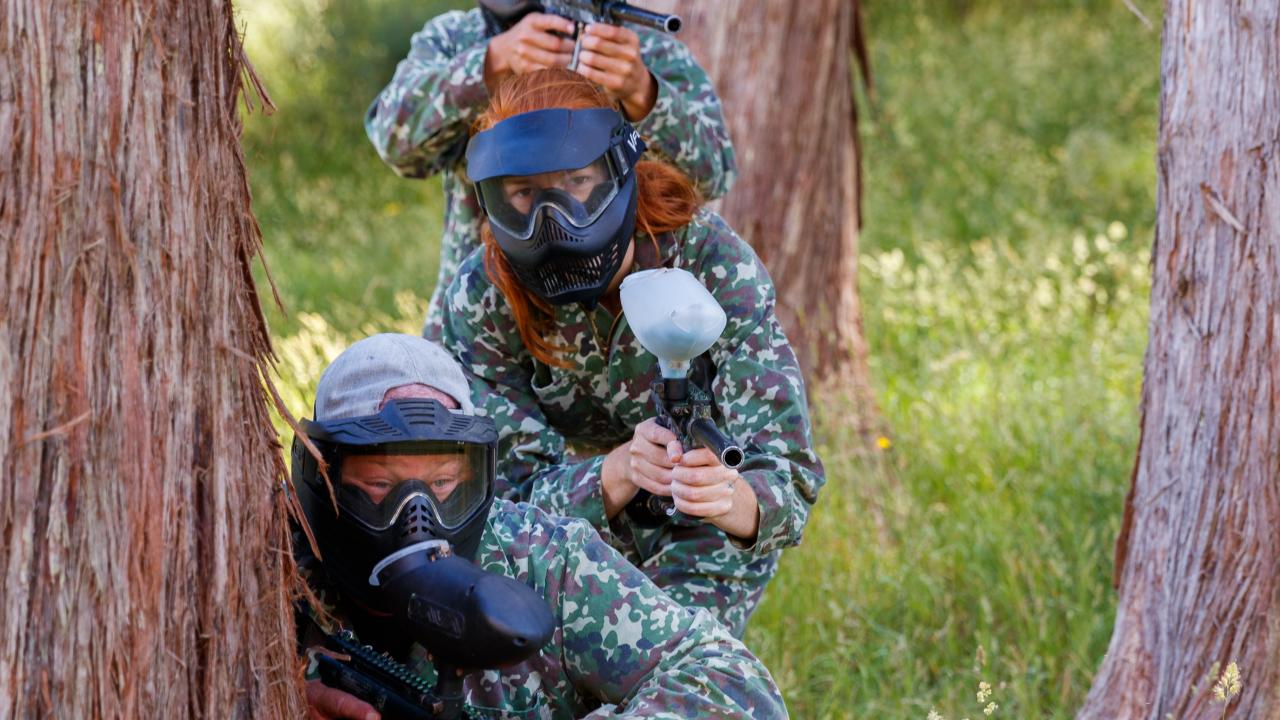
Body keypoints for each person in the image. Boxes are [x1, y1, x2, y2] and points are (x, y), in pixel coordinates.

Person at [439, 68, 825, 637]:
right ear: (493, 199)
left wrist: (727, 496)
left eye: (575, 182)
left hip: (704, 522)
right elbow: (498, 510)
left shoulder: (709, 261)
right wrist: (616, 472)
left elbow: (787, 479)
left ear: (617, 172)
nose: (553, 220)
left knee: (671, 662)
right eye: (524, 194)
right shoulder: (483, 295)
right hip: (570, 519)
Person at [295, 333, 788, 720]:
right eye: (380, 485)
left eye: (444, 482)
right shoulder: (270, 566)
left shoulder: (542, 559)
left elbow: (735, 683)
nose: (416, 515)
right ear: (321, 477)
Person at [364, 1, 736, 339]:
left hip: (630, 321)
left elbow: (715, 175)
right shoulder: (459, 38)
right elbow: (393, 142)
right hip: (489, 311)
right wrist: (488, 66)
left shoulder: (639, 50)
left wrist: (642, 93)